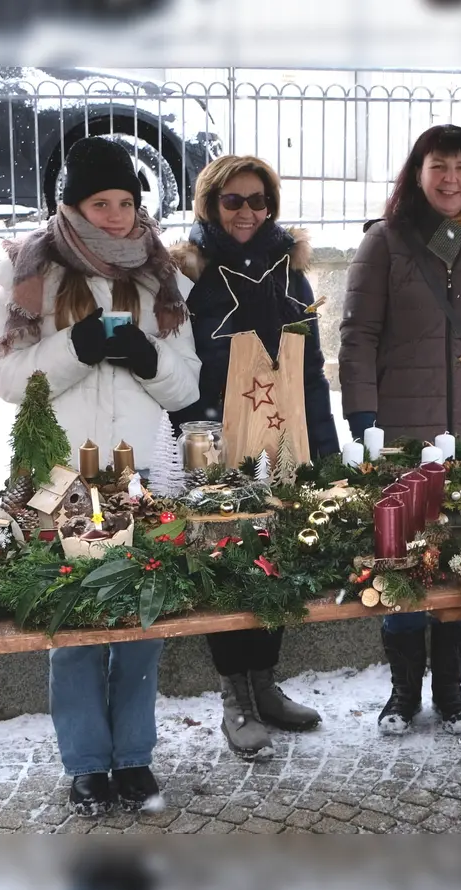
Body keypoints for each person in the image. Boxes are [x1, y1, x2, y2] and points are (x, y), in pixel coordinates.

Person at [0, 136, 201, 817]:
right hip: (59, 479)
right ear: (70, 206)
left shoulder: (160, 277)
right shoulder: (29, 274)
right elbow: (4, 374)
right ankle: (85, 764)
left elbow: (185, 385)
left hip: (139, 476)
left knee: (141, 618)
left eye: (126, 202)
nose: (115, 216)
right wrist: (74, 348)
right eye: (100, 202)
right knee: (74, 624)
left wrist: (144, 356)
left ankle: (133, 757)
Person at [339, 124, 461, 736]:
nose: (450, 180)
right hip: (403, 431)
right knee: (401, 565)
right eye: (437, 166)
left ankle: (450, 689)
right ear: (416, 174)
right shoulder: (387, 243)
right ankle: (403, 692)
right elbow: (358, 336)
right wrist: (363, 415)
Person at [169, 154, 329, 759]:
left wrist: (324, 445)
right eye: (233, 201)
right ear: (210, 203)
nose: (246, 212)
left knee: (277, 559)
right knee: (226, 567)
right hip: (213, 440)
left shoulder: (293, 273)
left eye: (258, 201)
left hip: (282, 438)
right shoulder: (187, 274)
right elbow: (176, 367)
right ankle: (234, 696)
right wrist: (191, 445)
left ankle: (265, 684)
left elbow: (310, 369)